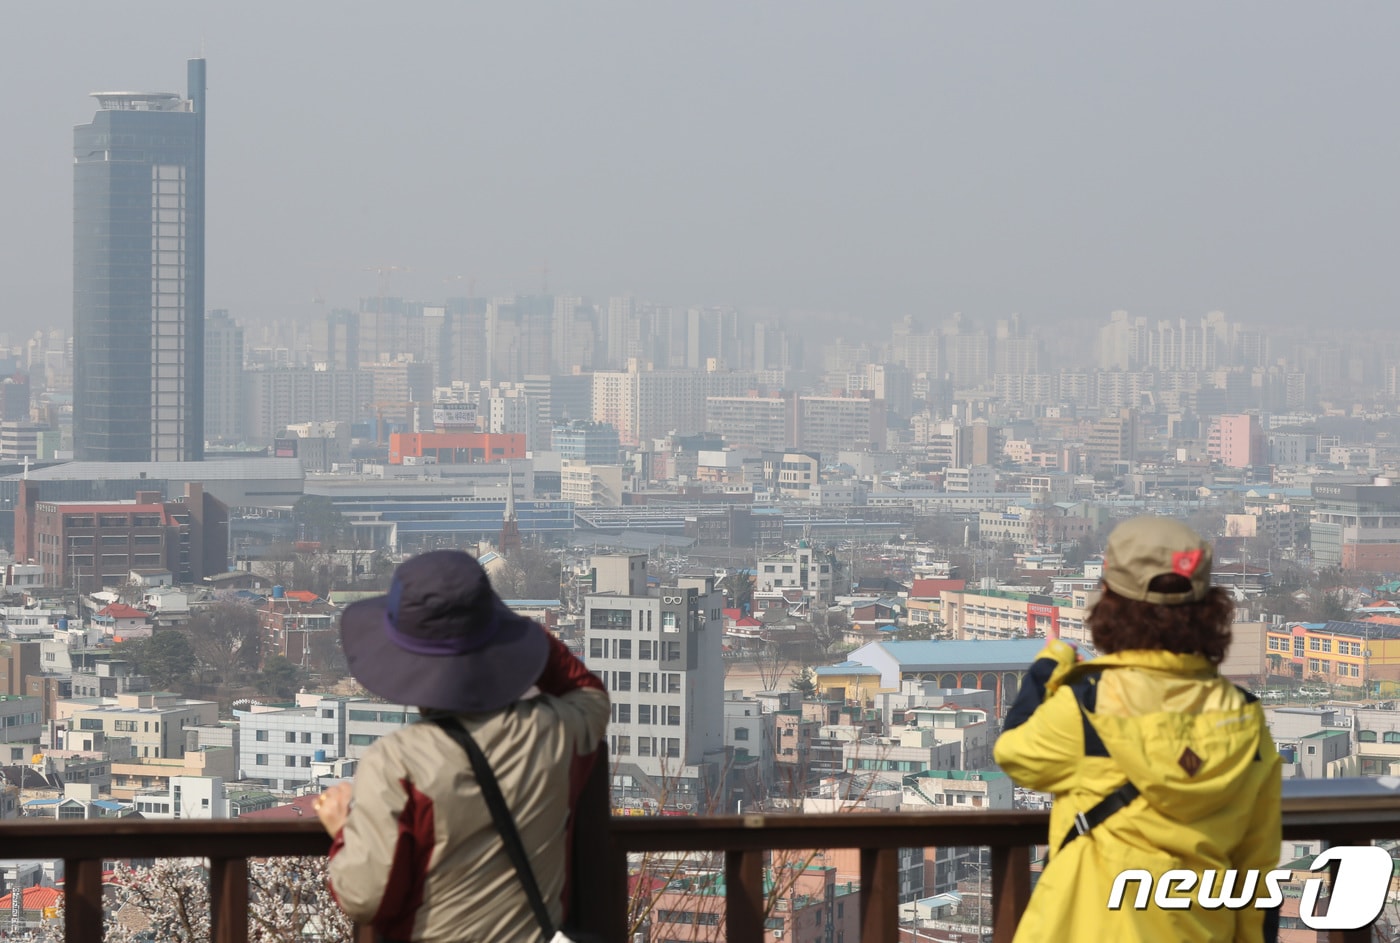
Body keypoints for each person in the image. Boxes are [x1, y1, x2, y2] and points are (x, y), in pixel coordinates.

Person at [993, 515, 1282, 943]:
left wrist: (1046, 671)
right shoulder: (1244, 717)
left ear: (1109, 604)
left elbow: (1014, 754)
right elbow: (1256, 868)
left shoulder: (1087, 703)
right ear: (1209, 611)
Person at [315, 549, 609, 942]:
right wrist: (514, 630)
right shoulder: (554, 729)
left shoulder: (397, 761)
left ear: (403, 661)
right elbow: (586, 691)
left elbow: (367, 897)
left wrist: (343, 831)